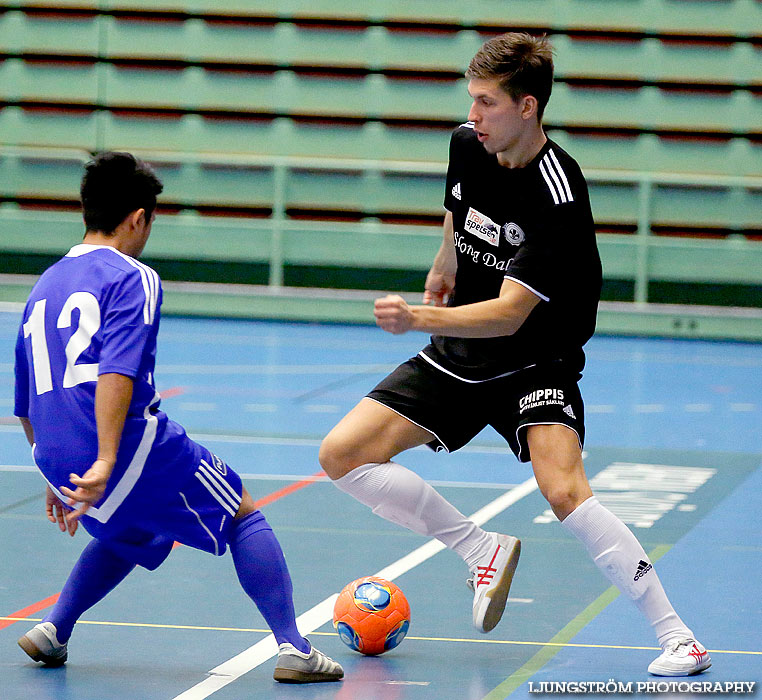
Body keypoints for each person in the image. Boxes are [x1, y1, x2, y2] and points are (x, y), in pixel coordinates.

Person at [319, 33, 710, 677]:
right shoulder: (466, 145)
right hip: (462, 351)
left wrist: (416, 316)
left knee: (563, 490)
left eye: (486, 102)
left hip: (535, 360)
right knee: (342, 454)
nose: (473, 115)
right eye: (471, 100)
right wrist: (442, 264)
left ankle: (678, 637)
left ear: (527, 107)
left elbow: (508, 314)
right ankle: (480, 550)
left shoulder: (557, 194)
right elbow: (457, 210)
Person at [13, 152, 343, 684]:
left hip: (52, 450)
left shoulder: (43, 285)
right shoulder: (134, 277)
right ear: (138, 218)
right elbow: (116, 371)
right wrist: (103, 457)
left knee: (135, 529)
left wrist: (54, 472)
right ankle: (295, 648)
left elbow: (26, 398)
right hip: (122, 446)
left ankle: (54, 629)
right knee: (240, 511)